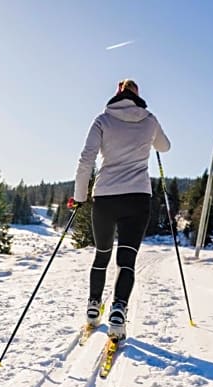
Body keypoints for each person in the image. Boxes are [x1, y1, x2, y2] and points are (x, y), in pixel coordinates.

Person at [73, 78, 171, 341]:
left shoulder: (103, 120)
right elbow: (165, 146)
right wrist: (149, 140)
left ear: (117, 93)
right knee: (126, 260)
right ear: (137, 95)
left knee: (102, 254)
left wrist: (79, 196)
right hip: (137, 198)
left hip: (105, 197)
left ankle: (94, 307)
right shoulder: (149, 120)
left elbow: (86, 159)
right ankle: (118, 311)